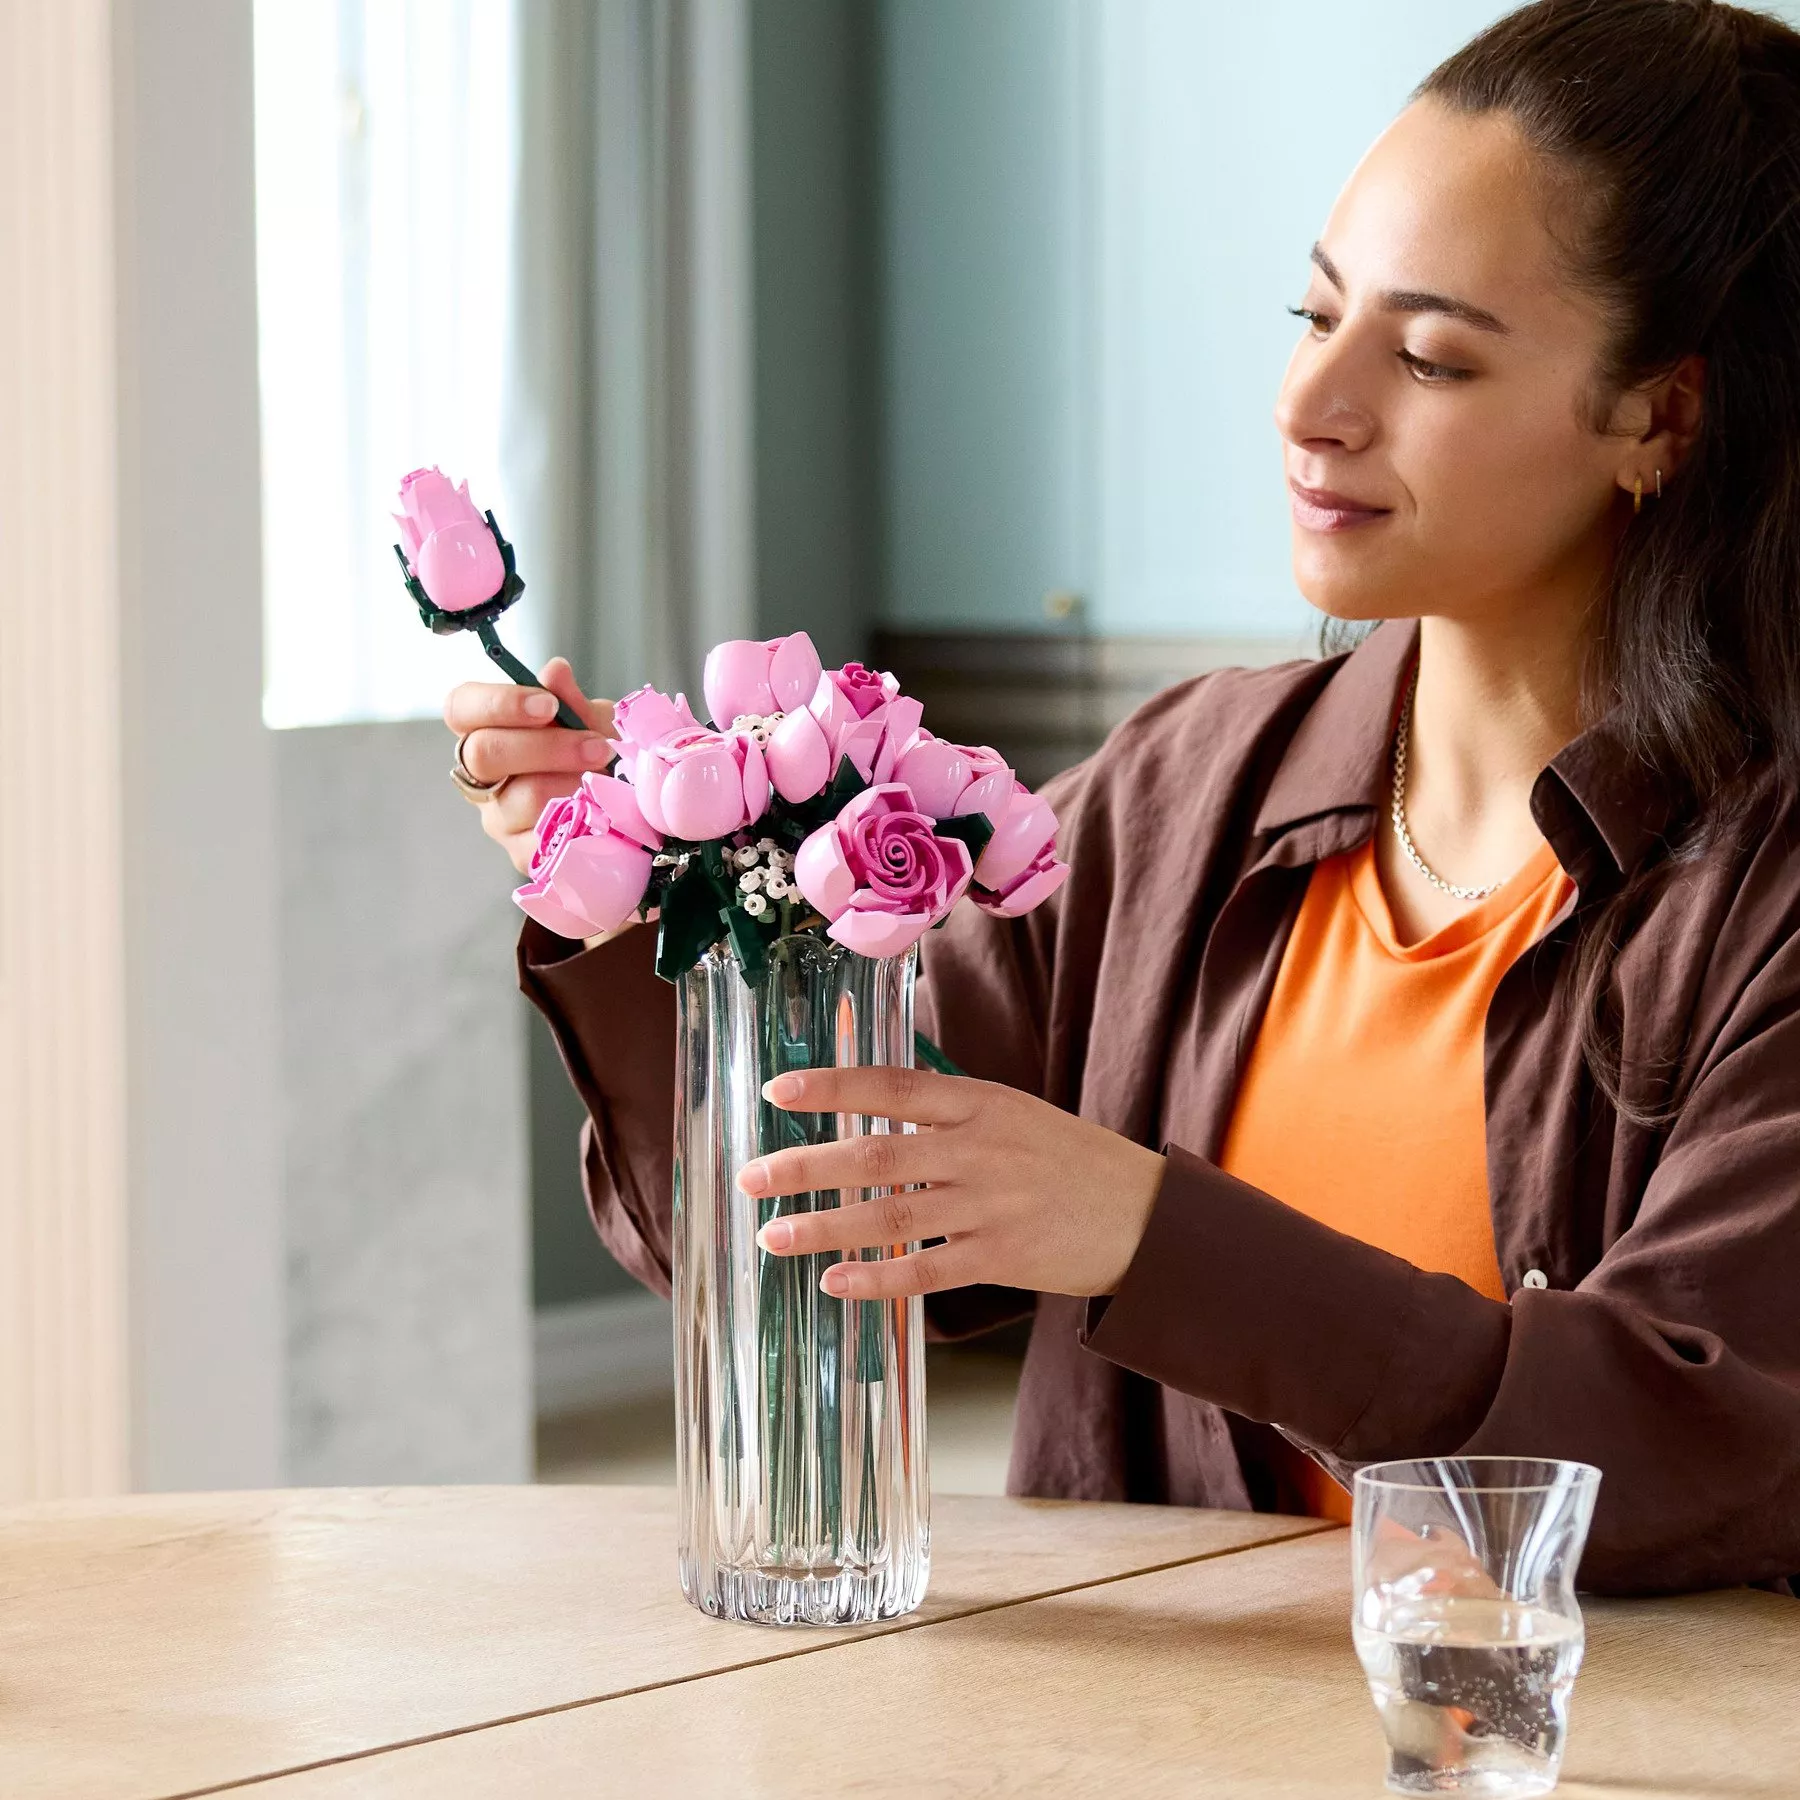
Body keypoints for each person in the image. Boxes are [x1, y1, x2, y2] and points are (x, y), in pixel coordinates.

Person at [443, 0, 1800, 1595]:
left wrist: (1147, 1232)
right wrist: (651, 891)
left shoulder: (1763, 894)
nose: (1314, 405)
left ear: (1661, 415)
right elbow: (796, 1247)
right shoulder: (1186, 783)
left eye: (1429, 356)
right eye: (1314, 314)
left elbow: (1680, 1458)